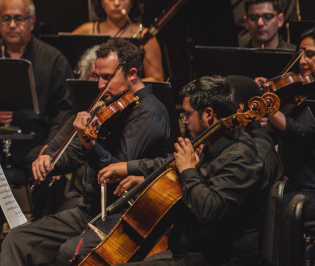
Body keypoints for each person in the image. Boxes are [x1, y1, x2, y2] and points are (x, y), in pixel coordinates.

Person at [1, 38, 171, 265]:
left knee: (71, 253)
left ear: (131, 74)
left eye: (107, 77)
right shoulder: (109, 106)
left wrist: (90, 145)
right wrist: (50, 162)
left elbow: (116, 168)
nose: (100, 85)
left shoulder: (149, 112)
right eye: (97, 77)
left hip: (121, 216)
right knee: (16, 239)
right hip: (89, 211)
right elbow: (75, 154)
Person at [97, 75, 274, 266]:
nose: (185, 122)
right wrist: (129, 167)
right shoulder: (214, 142)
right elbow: (174, 163)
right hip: (190, 250)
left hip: (215, 257)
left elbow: (210, 210)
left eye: (187, 115)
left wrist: (188, 170)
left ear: (208, 114)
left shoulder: (241, 156)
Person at [0, 0, 74, 189]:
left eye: (19, 19)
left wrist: (50, 148)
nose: (12, 25)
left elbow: (64, 111)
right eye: (6, 19)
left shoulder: (54, 60)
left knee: (50, 174)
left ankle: (41, 221)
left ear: (31, 22)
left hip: (36, 142)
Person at [73, 0, 164, 82]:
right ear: (102, 1)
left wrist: (125, 83)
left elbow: (157, 79)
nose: (116, 3)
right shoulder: (87, 30)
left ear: (131, 2)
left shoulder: (145, 35)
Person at [264, 28, 315, 219]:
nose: (302, 61)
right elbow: (270, 132)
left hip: (309, 188)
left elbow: (302, 132)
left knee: (276, 210)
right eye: (300, 54)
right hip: (287, 182)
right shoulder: (295, 93)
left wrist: (270, 109)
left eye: (310, 55)